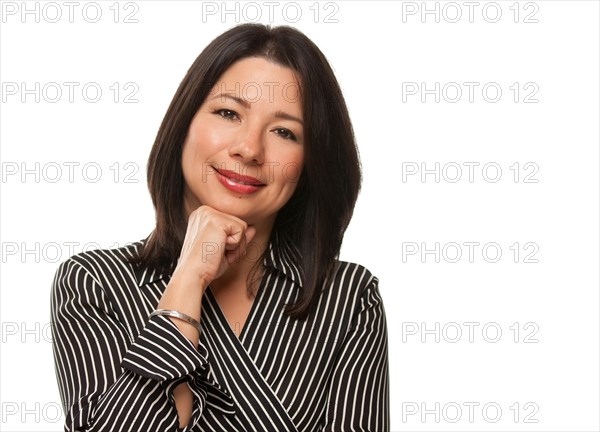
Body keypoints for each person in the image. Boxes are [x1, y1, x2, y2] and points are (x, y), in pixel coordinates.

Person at [50, 23, 389, 432]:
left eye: (285, 131)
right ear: (185, 123)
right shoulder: (93, 283)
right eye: (228, 113)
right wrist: (189, 279)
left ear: (309, 162)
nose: (249, 148)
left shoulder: (348, 300)